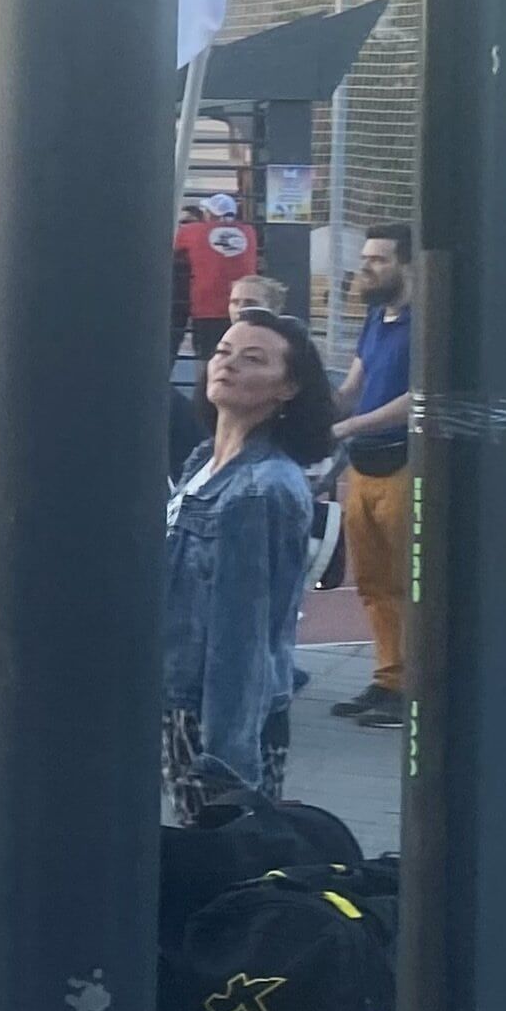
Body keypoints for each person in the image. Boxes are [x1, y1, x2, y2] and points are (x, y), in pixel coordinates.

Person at [165, 310, 337, 816]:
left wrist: (228, 762)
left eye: (253, 358)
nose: (228, 364)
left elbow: (244, 633)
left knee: (222, 861)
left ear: (288, 388)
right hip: (179, 701)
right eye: (222, 352)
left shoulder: (259, 491)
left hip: (211, 719)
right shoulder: (203, 462)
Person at [330, 224, 416, 730]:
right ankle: (389, 678)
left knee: (410, 580)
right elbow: (353, 384)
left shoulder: (425, 320)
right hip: (364, 464)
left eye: (379, 259)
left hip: (403, 461)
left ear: (408, 265)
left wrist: (350, 424)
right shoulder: (375, 317)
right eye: (366, 258)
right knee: (372, 582)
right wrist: (317, 410)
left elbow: (418, 395)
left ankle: (416, 686)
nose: (367, 267)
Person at [174, 190, 260, 359]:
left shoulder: (193, 231)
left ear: (209, 214)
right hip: (242, 305)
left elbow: (174, 247)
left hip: (207, 306)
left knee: (209, 358)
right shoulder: (249, 232)